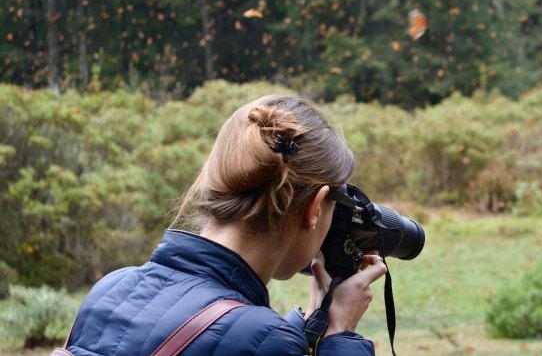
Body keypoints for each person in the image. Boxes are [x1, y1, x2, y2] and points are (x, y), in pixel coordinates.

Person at [64, 95, 387, 355]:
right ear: (315, 208)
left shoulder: (111, 290)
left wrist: (313, 321)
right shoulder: (266, 339)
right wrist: (340, 333)